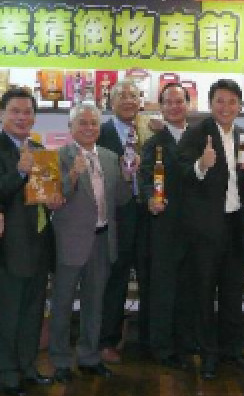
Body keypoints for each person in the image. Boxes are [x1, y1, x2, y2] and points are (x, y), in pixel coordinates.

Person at [177, 79, 244, 380]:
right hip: (204, 229)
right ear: (210, 104)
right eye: (220, 101)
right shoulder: (195, 134)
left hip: (235, 225)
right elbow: (180, 175)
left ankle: (232, 351)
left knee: (232, 292)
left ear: (240, 106)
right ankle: (208, 354)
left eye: (232, 102)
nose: (226, 107)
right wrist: (201, 165)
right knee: (203, 294)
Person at [0, 88, 57, 396]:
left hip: (39, 243)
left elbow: (44, 197)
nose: (22, 117)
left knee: (33, 312)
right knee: (7, 314)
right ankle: (7, 375)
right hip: (7, 246)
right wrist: (20, 172)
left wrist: (54, 200)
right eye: (15, 112)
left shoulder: (39, 150)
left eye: (27, 112)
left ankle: (27, 367)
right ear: (0, 115)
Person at [48, 104, 134, 383]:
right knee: (62, 304)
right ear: (70, 127)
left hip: (102, 240)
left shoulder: (109, 157)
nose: (88, 128)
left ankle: (89, 357)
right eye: (82, 123)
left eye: (93, 123)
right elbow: (52, 199)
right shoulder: (58, 156)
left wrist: (128, 176)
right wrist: (72, 174)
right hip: (69, 242)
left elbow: (121, 199)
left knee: (95, 304)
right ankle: (60, 361)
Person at [96, 79, 151, 363]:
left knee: (150, 277)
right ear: (111, 101)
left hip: (149, 215)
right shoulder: (100, 133)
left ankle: (151, 340)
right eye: (122, 95)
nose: (129, 100)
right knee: (115, 280)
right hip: (116, 216)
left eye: (134, 95)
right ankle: (107, 340)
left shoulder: (150, 130)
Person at [140, 82, 194, 370]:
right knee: (164, 289)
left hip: (196, 226)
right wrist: (150, 198)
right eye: (168, 102)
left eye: (179, 101)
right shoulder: (155, 143)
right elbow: (146, 177)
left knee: (189, 289)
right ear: (161, 107)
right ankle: (162, 347)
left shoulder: (200, 139)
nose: (174, 107)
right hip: (165, 226)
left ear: (188, 105)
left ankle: (186, 343)